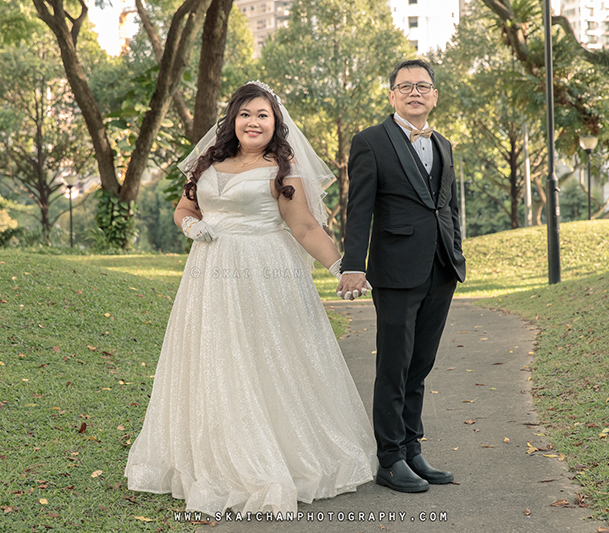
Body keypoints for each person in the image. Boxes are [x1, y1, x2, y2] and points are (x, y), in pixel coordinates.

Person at [124, 81, 377, 516]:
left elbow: (305, 227)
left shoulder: (283, 167)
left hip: (265, 272)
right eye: (245, 114)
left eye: (262, 115)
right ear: (233, 119)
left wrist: (342, 268)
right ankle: (216, 451)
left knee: (266, 357)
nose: (253, 122)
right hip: (208, 275)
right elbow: (184, 209)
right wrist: (191, 227)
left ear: (275, 123)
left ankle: (276, 453)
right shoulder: (208, 162)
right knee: (216, 358)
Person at [337, 59, 466, 493]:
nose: (415, 92)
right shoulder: (371, 141)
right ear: (392, 95)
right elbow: (359, 209)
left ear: (434, 96)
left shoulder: (443, 144)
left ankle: (412, 448)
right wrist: (353, 265)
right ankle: (389, 458)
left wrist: (456, 252)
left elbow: (447, 205)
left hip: (441, 268)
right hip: (395, 270)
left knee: (420, 365)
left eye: (423, 86)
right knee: (394, 365)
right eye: (405, 86)